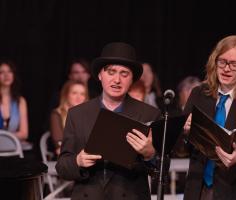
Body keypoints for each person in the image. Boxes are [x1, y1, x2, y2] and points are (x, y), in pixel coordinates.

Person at [56, 42, 161, 200]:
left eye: (124, 74)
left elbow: (163, 169)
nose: (117, 80)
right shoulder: (77, 114)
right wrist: (77, 161)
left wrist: (150, 155)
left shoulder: (149, 114)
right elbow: (62, 167)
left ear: (132, 79)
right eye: (111, 72)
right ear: (100, 75)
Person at [182, 35, 236, 200]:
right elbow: (180, 148)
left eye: (234, 64)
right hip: (198, 192)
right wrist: (186, 133)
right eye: (222, 61)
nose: (226, 69)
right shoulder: (199, 94)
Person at [50, 80, 88, 156]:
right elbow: (60, 145)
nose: (79, 97)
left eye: (82, 94)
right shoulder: (57, 114)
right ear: (66, 94)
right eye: (74, 93)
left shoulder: (88, 115)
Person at [0, 60, 29, 149]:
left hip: (13, 149)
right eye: (2, 72)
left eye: (10, 71)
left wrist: (5, 139)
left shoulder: (20, 101)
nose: (7, 75)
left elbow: (24, 134)